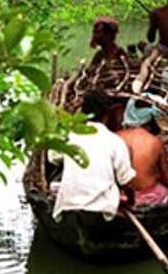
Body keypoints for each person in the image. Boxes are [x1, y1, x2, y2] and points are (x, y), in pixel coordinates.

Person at [49, 90, 135, 222]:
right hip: (102, 210)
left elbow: (52, 157)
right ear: (107, 114)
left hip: (68, 206)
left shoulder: (71, 137)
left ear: (83, 113)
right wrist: (131, 199)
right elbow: (125, 180)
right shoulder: (115, 141)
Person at [117, 113, 168, 207]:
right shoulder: (155, 142)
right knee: (164, 189)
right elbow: (167, 179)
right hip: (145, 195)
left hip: (118, 195)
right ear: (149, 126)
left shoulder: (116, 136)